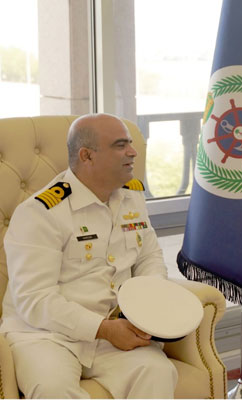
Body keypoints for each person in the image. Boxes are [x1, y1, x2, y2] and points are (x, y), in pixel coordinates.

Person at [0, 114, 178, 398]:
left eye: (131, 144)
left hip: (115, 329)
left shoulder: (132, 197)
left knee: (157, 372)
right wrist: (103, 329)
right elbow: (34, 300)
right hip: (45, 335)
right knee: (53, 389)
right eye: (120, 146)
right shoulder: (41, 213)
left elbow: (149, 258)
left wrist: (146, 307)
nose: (133, 152)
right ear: (87, 156)